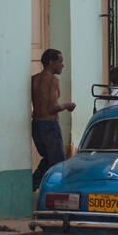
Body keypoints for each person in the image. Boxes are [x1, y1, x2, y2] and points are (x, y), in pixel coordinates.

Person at [31, 49, 74, 191]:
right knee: (58, 162)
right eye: (60, 61)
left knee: (48, 158)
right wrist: (68, 105)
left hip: (36, 124)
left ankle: (33, 184)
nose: (62, 65)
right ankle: (57, 191)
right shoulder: (53, 80)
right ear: (51, 62)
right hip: (49, 124)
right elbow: (52, 107)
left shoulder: (34, 79)